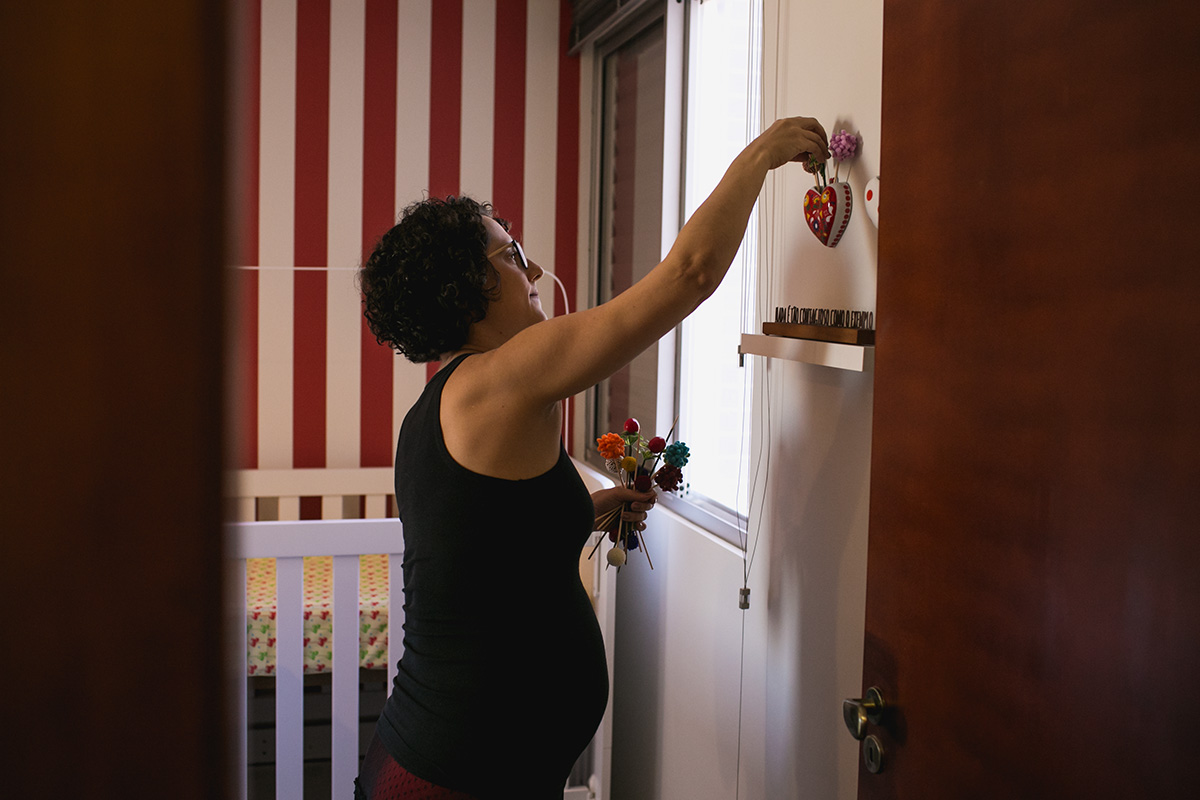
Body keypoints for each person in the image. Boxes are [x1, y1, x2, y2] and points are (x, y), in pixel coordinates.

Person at [353, 116, 829, 799]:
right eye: (513, 255)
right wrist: (763, 153)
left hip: (469, 762)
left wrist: (587, 507)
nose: (536, 269)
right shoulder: (502, 376)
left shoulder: (443, 405)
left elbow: (483, 558)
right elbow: (687, 276)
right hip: (455, 772)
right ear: (468, 287)